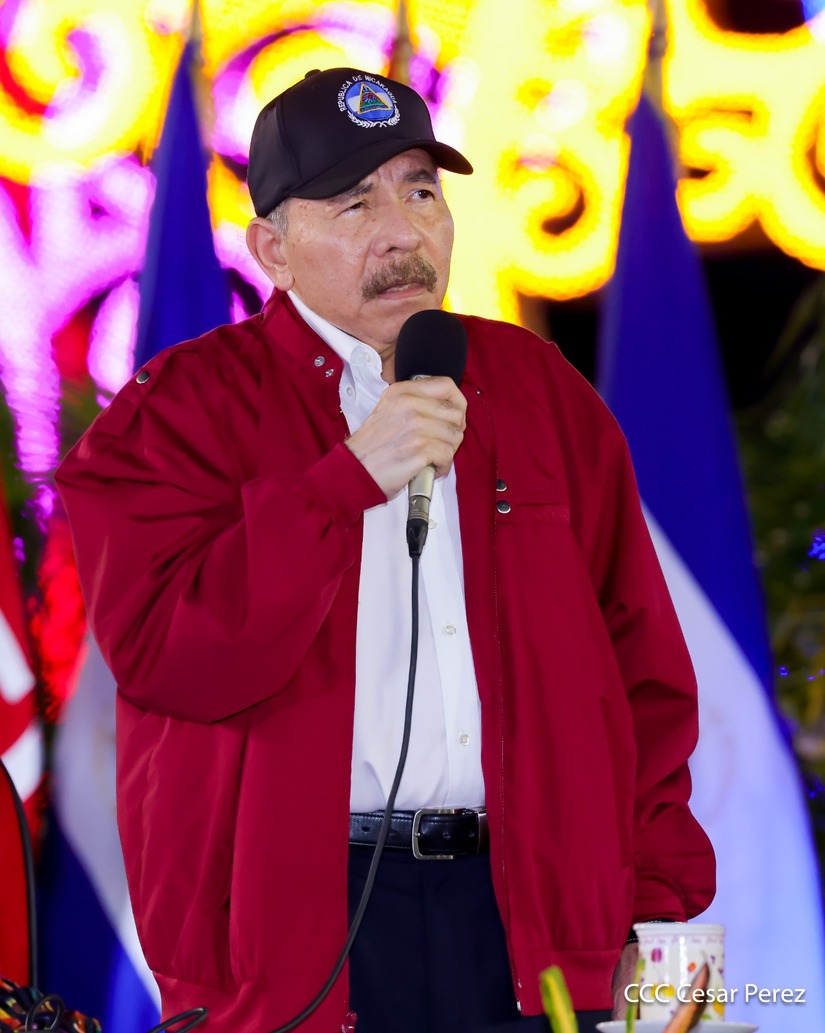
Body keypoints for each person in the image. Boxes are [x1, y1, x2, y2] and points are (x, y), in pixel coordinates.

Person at [55, 67, 715, 1033]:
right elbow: (169, 656)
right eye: (355, 202)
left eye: (420, 191)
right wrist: (346, 480)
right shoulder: (178, 412)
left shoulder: (540, 393)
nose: (402, 232)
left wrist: (657, 909)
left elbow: (642, 672)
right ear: (272, 250)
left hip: (531, 921)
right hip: (301, 931)